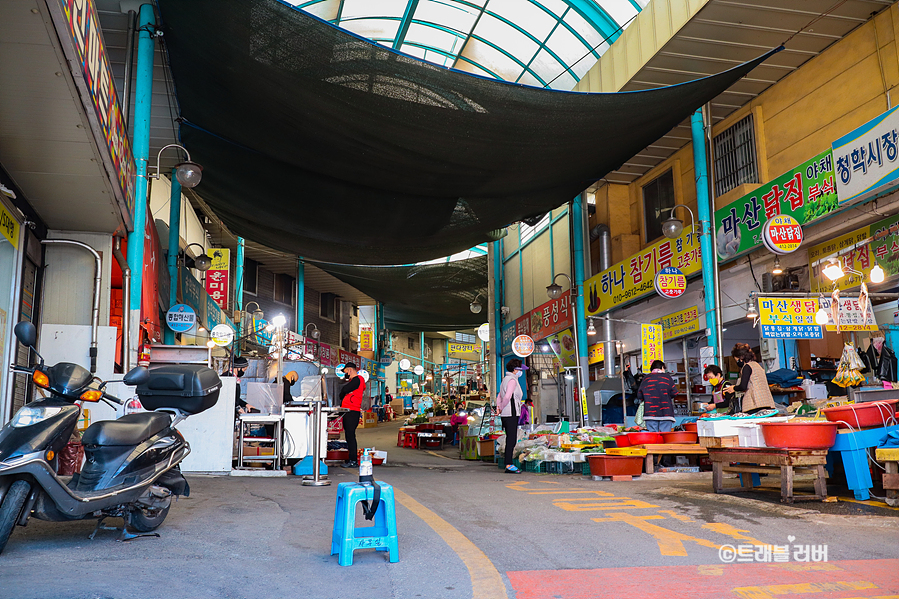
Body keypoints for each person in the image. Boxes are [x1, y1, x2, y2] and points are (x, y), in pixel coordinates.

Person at [495, 359, 527, 474]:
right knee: (511, 439)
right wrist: (502, 407)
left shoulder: (505, 379)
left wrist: (499, 408)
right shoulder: (512, 380)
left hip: (506, 413)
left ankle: (508, 463)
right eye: (520, 369)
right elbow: (507, 397)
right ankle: (509, 464)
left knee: (510, 438)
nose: (521, 372)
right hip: (511, 412)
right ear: (515, 370)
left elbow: (499, 395)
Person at [730, 343, 775, 414]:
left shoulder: (747, 367)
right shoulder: (757, 366)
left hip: (754, 404)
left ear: (741, 358)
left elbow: (743, 386)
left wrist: (733, 388)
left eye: (737, 360)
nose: (737, 362)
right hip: (766, 402)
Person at [635, 360, 677, 433]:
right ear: (662, 367)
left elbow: (639, 395)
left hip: (650, 413)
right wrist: (665, 397)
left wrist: (648, 399)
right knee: (665, 436)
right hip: (666, 413)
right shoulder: (667, 378)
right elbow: (675, 392)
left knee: (653, 437)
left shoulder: (646, 378)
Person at [338, 362, 366, 468]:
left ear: (350, 370)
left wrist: (342, 393)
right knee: (349, 435)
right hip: (349, 410)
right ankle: (352, 459)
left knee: (350, 436)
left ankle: (353, 460)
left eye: (346, 372)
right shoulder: (355, 381)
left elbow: (344, 389)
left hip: (352, 411)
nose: (346, 375)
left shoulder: (358, 379)